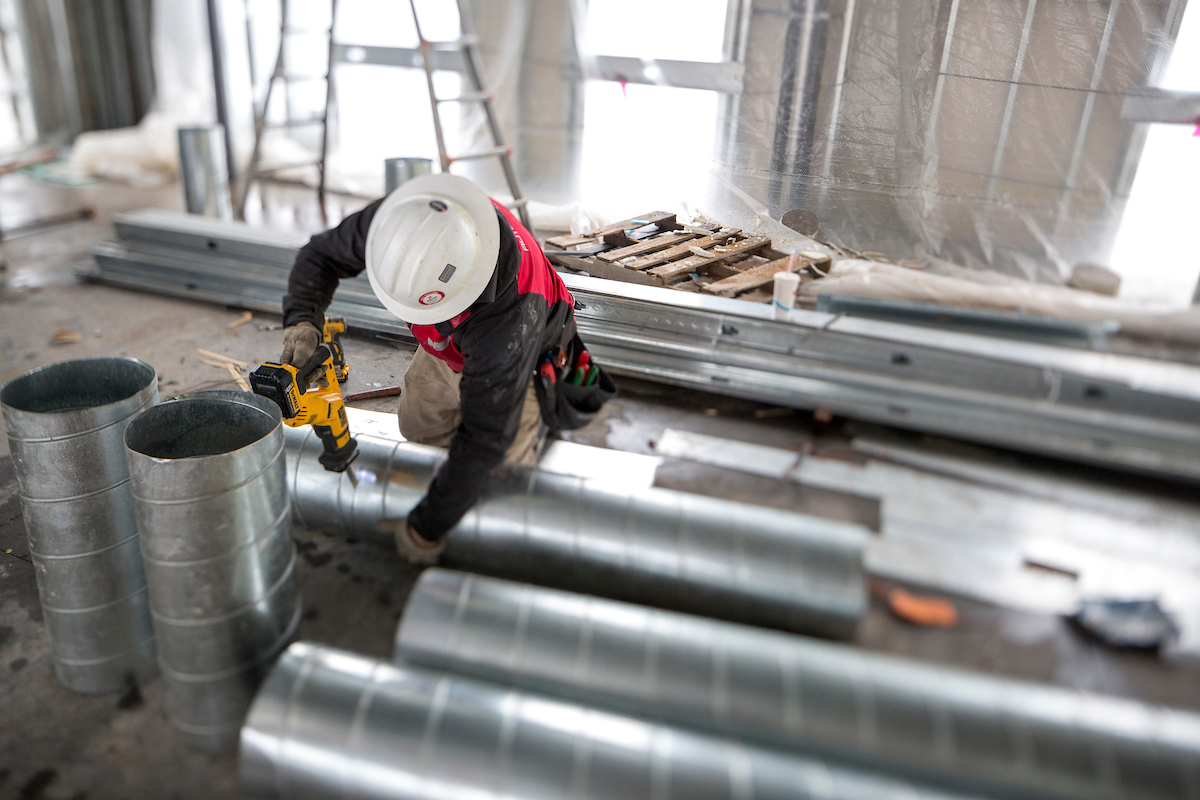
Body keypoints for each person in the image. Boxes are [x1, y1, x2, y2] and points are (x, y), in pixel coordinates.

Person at [279, 173, 611, 565]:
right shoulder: (407, 220)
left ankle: (533, 426)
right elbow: (320, 255)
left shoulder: (510, 318)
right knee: (419, 427)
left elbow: (485, 440)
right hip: (451, 344)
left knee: (500, 479)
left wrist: (424, 529)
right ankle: (449, 487)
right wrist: (303, 322)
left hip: (528, 354)